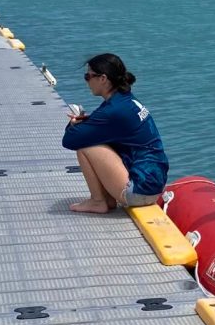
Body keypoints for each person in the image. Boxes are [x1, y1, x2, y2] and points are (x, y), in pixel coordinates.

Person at [62, 53, 169, 213]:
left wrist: (72, 125)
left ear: (103, 78)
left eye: (88, 76)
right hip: (154, 183)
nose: (86, 82)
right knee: (97, 139)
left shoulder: (112, 111)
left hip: (139, 190)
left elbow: (69, 140)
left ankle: (98, 202)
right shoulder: (127, 100)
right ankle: (107, 199)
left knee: (85, 147)